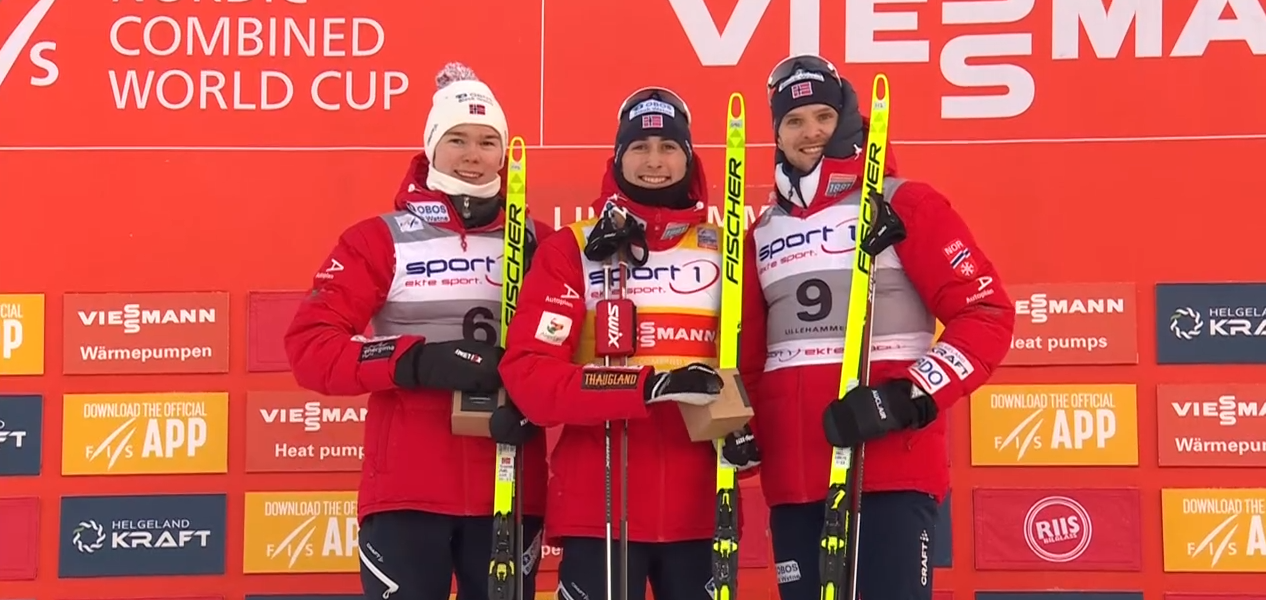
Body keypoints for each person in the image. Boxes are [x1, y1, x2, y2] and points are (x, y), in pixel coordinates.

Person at [734, 55, 1016, 600]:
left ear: (847, 119)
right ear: (777, 134)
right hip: (795, 482)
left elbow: (987, 314)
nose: (810, 132)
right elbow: (752, 359)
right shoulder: (762, 231)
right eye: (794, 121)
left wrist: (906, 398)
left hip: (887, 470)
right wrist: (741, 429)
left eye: (823, 116)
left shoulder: (904, 201)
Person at [285, 62, 554, 600]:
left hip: (509, 478)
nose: (473, 155)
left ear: (504, 153)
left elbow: (573, 356)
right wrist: (416, 361)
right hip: (408, 487)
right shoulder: (379, 239)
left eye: (487, 141)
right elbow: (311, 347)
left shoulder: (538, 242)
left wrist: (537, 398)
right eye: (457, 139)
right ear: (432, 146)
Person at [498, 87, 756, 600]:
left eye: (668, 147)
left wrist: (752, 433)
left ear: (689, 157)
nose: (654, 161)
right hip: (599, 505)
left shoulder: (725, 249)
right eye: (639, 147)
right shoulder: (573, 248)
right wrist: (646, 387)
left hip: (702, 504)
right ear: (618, 158)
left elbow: (754, 369)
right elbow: (530, 372)